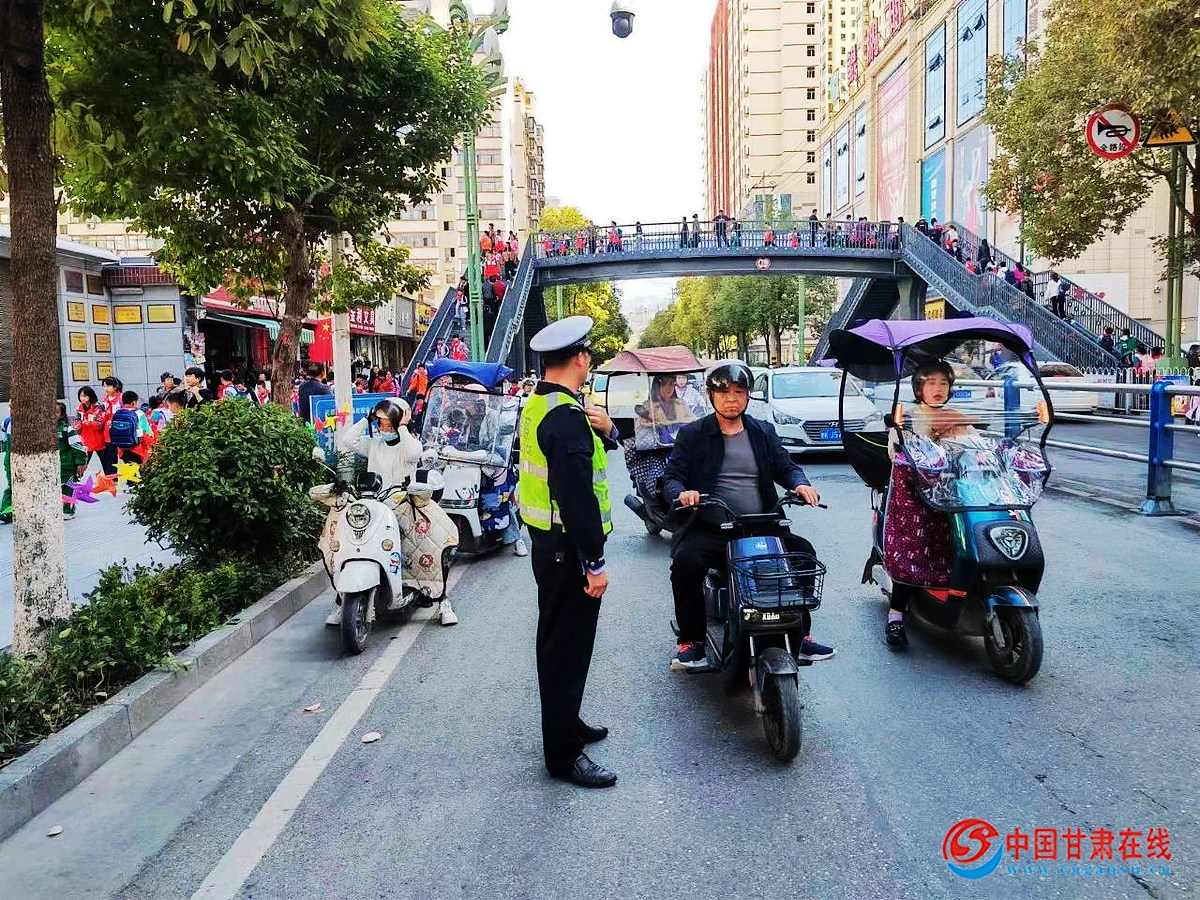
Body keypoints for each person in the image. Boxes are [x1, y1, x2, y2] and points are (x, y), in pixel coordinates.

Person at [662, 361, 833, 672]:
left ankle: (801, 634)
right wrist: (683, 493)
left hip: (762, 525)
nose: (732, 399)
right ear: (711, 396)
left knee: (803, 554)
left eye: (739, 392)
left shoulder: (762, 431)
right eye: (724, 393)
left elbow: (786, 467)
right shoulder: (693, 434)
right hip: (712, 528)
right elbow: (672, 477)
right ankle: (692, 641)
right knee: (686, 564)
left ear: (748, 396)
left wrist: (801, 484)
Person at [518, 315, 618, 789]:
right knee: (566, 651)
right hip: (568, 551)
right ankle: (563, 755)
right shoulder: (566, 417)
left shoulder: (541, 403)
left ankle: (567, 721)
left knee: (560, 646)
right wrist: (594, 563)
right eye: (588, 354)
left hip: (548, 544)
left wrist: (607, 431)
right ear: (580, 358)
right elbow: (577, 498)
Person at [326, 398, 459, 627]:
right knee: (344, 540)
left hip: (404, 503)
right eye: (380, 422)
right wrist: (366, 419)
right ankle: (343, 600)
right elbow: (348, 440)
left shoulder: (408, 443)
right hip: (373, 505)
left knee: (433, 542)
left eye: (388, 422)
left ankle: (442, 601)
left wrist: (403, 426)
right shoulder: (374, 444)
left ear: (399, 421)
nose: (383, 427)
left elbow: (413, 453)